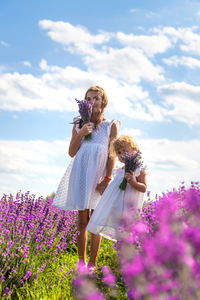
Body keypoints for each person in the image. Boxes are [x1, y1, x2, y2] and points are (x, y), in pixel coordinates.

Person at [52, 85, 120, 269]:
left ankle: (92, 264)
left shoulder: (111, 124)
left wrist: (107, 178)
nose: (92, 102)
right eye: (88, 99)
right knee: (82, 220)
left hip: (99, 177)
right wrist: (81, 132)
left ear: (103, 101)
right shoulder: (78, 122)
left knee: (95, 220)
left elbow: (112, 154)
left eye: (96, 98)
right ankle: (81, 264)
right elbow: (71, 152)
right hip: (81, 173)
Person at [86, 135, 147, 242]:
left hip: (129, 206)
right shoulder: (119, 170)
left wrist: (131, 181)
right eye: (118, 152)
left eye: (125, 150)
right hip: (117, 206)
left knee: (128, 233)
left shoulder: (139, 169)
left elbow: (143, 188)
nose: (122, 154)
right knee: (119, 232)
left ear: (134, 149)